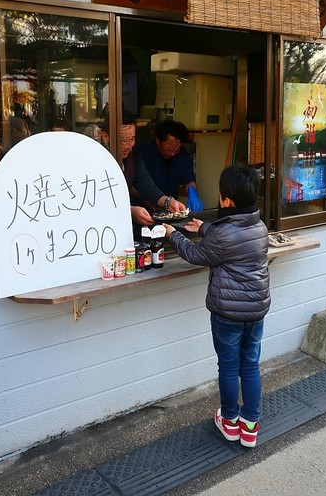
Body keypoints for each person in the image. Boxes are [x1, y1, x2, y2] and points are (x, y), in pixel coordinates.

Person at [163, 164, 270, 448]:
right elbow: (231, 237)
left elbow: (197, 254)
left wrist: (172, 235)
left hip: (227, 314)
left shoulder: (223, 234)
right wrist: (204, 227)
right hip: (255, 311)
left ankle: (229, 420)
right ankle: (250, 426)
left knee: (228, 367)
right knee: (250, 365)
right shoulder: (259, 226)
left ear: (227, 201)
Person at [100, 113, 186, 230]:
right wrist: (130, 211)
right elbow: (99, 201)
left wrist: (168, 202)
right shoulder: (97, 158)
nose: (128, 145)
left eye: (132, 139)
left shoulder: (134, 157)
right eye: (123, 139)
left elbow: (147, 187)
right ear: (105, 137)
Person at [137, 119, 204, 211]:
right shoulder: (142, 152)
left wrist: (193, 194)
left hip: (171, 206)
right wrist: (145, 199)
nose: (174, 151)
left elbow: (189, 180)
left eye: (177, 146)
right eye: (170, 145)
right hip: (143, 207)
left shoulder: (183, 155)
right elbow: (132, 183)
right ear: (158, 140)